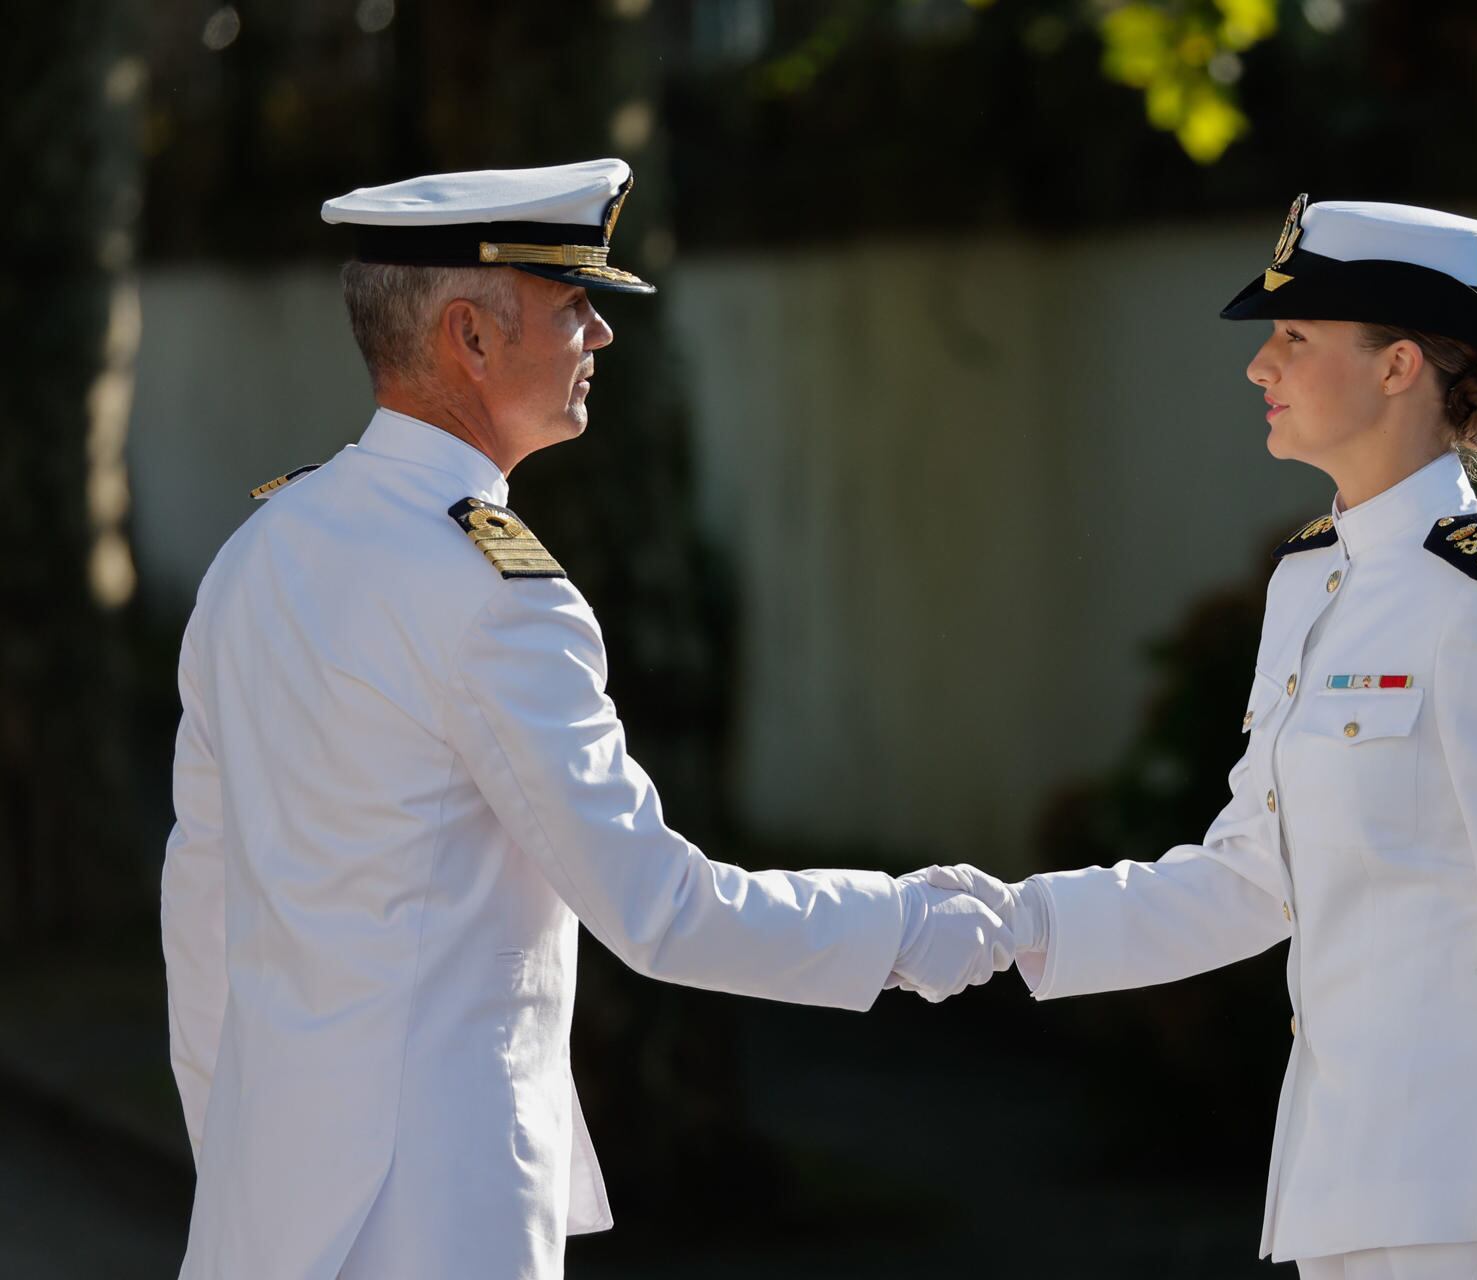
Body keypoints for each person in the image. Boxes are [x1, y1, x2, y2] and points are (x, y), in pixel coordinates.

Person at [158, 159, 1013, 1280]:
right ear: (469, 336)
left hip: (260, 1213)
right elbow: (656, 907)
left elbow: (199, 909)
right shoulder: (495, 593)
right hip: (441, 1215)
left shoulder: (256, 553)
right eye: (572, 305)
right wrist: (902, 928)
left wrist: (243, 1161)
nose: (601, 334)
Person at [912, 196, 1477, 1279]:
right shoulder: (1312, 576)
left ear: (1398, 365)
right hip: (1345, 1184)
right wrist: (1014, 923)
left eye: (1294, 336)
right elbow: (1251, 878)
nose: (1258, 367)